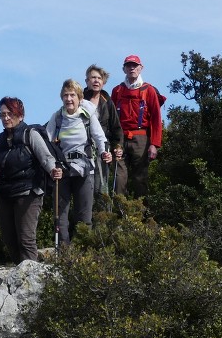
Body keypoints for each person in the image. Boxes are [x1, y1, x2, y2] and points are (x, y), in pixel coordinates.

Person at [0, 97, 62, 263]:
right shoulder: (0, 141)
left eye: (10, 114)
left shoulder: (31, 134)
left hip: (29, 192)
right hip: (6, 194)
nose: (6, 118)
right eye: (2, 115)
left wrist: (53, 170)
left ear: (20, 115)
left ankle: (30, 278)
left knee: (26, 238)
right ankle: (20, 274)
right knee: (9, 239)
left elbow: (45, 158)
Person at [43, 79, 112, 248]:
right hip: (63, 170)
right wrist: (52, 167)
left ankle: (83, 255)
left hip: (85, 169)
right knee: (61, 216)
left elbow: (99, 137)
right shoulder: (57, 118)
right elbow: (47, 143)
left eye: (72, 95)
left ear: (79, 97)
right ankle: (64, 254)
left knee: (84, 215)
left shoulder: (87, 117)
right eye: (65, 95)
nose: (68, 99)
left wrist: (104, 152)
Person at [110, 54, 164, 198]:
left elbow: (156, 119)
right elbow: (111, 118)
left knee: (140, 180)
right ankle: (121, 215)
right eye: (128, 65)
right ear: (124, 69)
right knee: (119, 179)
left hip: (140, 138)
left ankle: (142, 217)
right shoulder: (117, 91)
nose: (131, 68)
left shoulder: (149, 90)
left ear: (141, 68)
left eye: (135, 65)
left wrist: (154, 144)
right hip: (120, 138)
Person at [83, 64, 124, 197]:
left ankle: (102, 216)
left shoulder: (107, 102)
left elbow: (116, 128)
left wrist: (118, 147)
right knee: (85, 188)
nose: (96, 81)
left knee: (101, 188)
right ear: (87, 81)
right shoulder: (79, 100)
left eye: (99, 78)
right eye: (93, 78)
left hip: (103, 150)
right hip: (83, 148)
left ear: (103, 82)